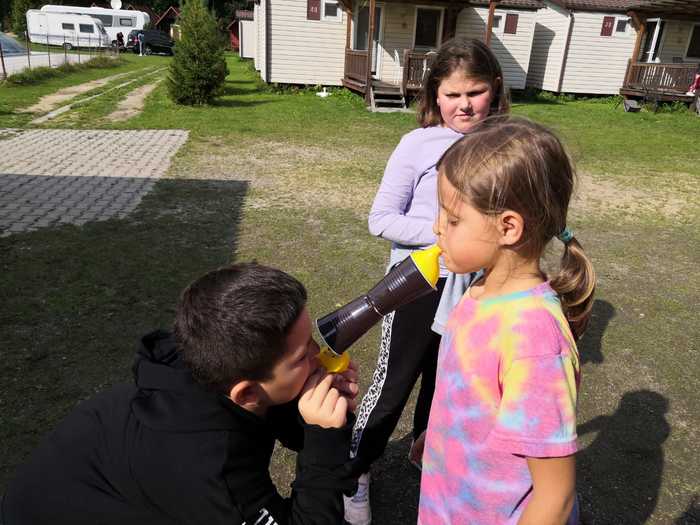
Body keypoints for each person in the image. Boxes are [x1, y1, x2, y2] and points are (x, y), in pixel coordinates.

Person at [1, 263, 360, 525]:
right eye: (301, 356)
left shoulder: (210, 361)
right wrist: (323, 439)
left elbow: (280, 418)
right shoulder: (211, 466)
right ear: (246, 393)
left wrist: (325, 418)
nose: (318, 353)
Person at [344, 38, 509, 525]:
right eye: (453, 94)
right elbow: (381, 219)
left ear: (495, 88)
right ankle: (355, 472)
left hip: (478, 289)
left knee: (448, 385)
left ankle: (428, 457)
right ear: (435, 94)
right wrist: (450, 236)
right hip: (417, 283)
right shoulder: (417, 145)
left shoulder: (505, 144)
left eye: (475, 92)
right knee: (394, 384)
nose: (464, 105)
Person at [418, 116, 596, 524]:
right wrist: (441, 438)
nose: (436, 228)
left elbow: (555, 497)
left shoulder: (535, 339)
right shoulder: (477, 291)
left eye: (453, 219)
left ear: (508, 227)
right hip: (445, 504)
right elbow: (471, 395)